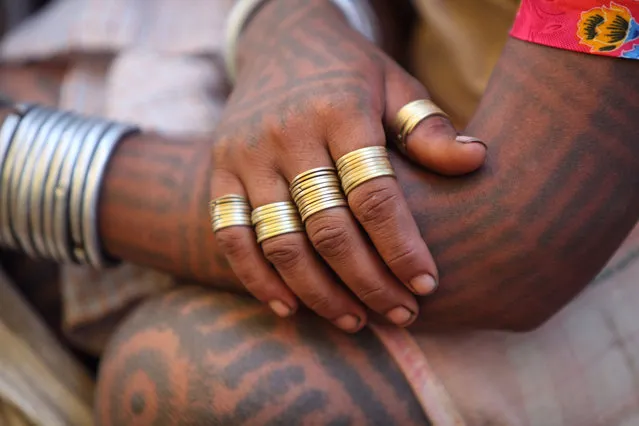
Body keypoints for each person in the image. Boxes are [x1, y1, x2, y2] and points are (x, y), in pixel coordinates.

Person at [0, 0, 637, 424]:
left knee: (202, 379)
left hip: (588, 227)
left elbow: (499, 242)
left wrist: (21, 165)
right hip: (416, 73)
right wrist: (292, 29)